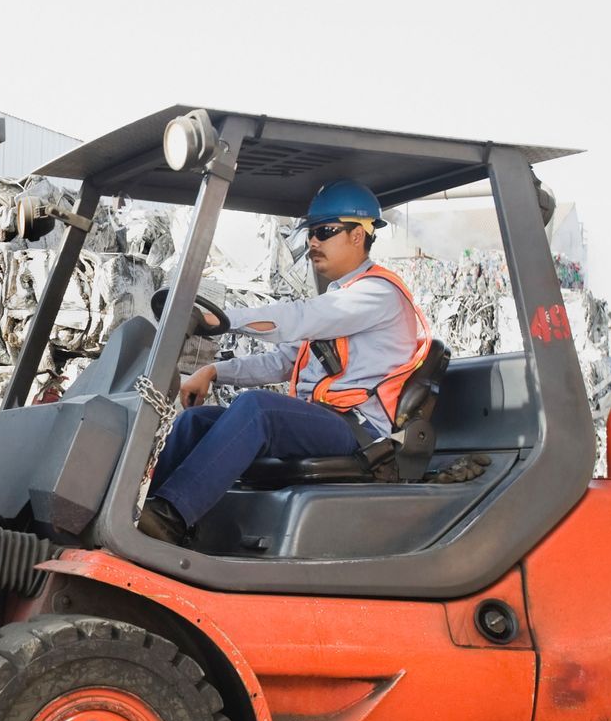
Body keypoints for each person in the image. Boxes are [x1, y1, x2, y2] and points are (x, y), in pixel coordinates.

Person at [136, 180, 432, 546]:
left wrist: (220, 320)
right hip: (327, 423)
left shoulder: (376, 294)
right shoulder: (342, 297)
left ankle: (171, 517)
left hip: (361, 432)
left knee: (258, 409)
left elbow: (297, 318)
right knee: (197, 420)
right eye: (311, 233)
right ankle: (137, 507)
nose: (313, 243)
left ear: (359, 236)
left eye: (325, 232)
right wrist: (213, 372)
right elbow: (285, 361)